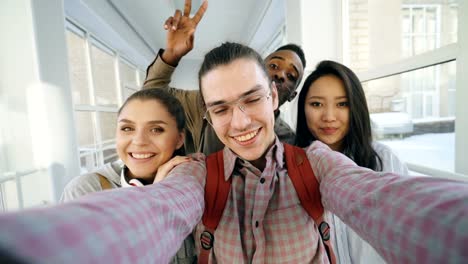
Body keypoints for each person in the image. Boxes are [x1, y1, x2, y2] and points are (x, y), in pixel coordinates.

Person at [1, 42, 468, 264]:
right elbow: (157, 211)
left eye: (251, 99)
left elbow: (375, 196)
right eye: (221, 108)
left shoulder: (316, 161)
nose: (240, 122)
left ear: (274, 97)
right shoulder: (195, 174)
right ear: (205, 115)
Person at [143, 0, 305, 154]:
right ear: (257, 69)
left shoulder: (290, 142)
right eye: (274, 65)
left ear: (288, 96)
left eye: (291, 76)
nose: (280, 74)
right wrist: (171, 55)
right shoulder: (203, 103)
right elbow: (152, 100)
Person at [61, 88, 196, 264]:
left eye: (156, 129)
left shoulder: (191, 185)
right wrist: (153, 196)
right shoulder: (86, 191)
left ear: (179, 139)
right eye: (127, 128)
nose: (139, 141)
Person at [295, 60, 409, 263]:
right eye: (316, 104)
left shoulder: (385, 161)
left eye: (342, 104)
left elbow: (407, 231)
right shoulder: (288, 169)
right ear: (303, 109)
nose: (329, 117)